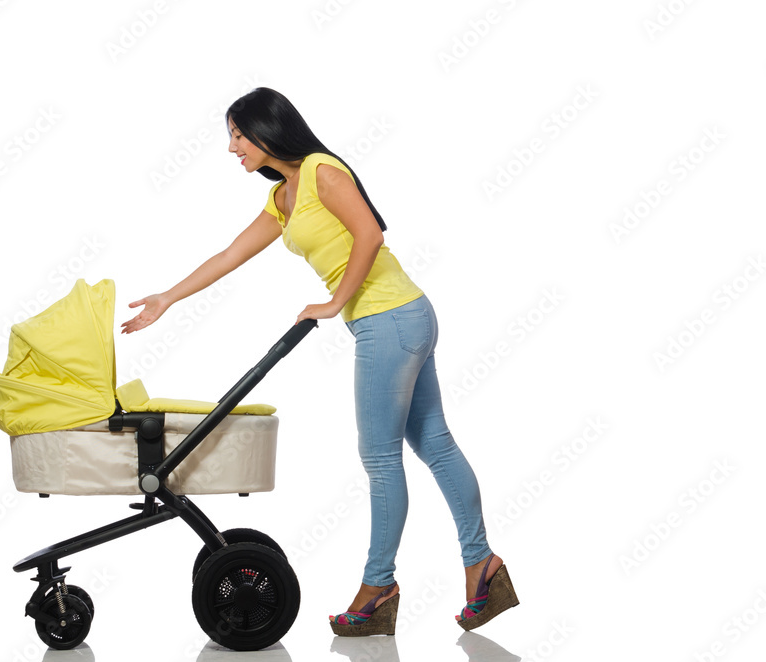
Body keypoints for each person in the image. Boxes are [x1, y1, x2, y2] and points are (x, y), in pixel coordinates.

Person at [120, 87, 518, 635]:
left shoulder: (320, 171)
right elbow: (230, 255)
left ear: (267, 130)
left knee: (381, 459)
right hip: (402, 316)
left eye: (238, 135)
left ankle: (378, 587)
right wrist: (167, 298)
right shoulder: (282, 196)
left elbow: (370, 234)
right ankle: (482, 565)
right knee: (435, 444)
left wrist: (334, 303)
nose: (232, 147)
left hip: (388, 319)